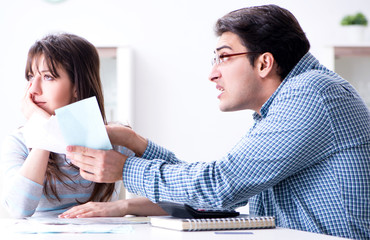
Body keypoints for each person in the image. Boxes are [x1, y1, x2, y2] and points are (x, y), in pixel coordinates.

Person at [65, 5, 369, 239]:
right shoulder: (287, 102)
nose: (213, 73)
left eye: (224, 57)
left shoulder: (311, 93)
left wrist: (127, 168)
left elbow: (220, 186)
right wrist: (139, 146)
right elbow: (218, 191)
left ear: (264, 62)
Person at [0, 33, 166, 218]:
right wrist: (44, 130)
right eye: (31, 77)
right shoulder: (19, 142)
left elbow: (173, 198)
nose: (33, 89)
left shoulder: (114, 137)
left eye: (48, 77)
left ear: (77, 87)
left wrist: (122, 206)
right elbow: (19, 209)